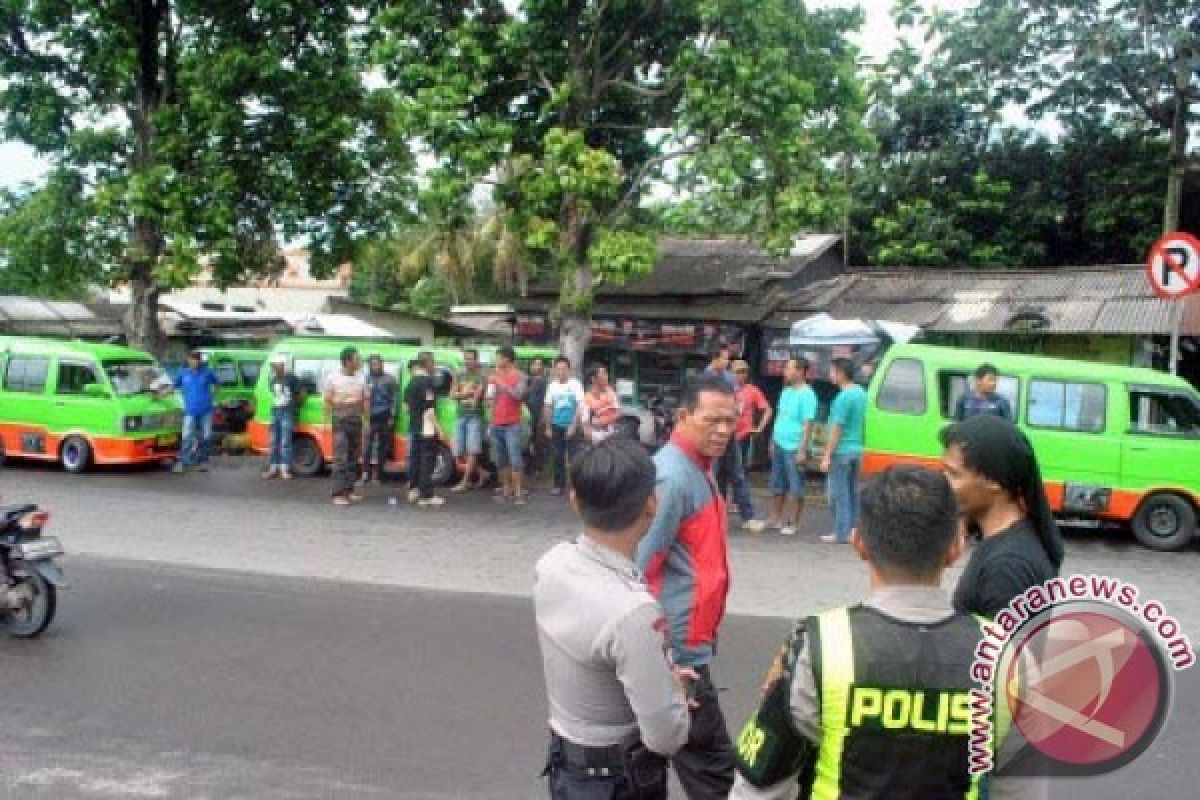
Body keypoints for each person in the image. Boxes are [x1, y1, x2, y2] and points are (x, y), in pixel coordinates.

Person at [730, 466, 998, 800]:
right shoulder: (1001, 652)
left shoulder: (821, 645)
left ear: (858, 543)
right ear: (956, 548)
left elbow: (760, 784)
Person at [535, 438, 692, 800]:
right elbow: (666, 736)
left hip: (566, 762)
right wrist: (675, 691)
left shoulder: (551, 564)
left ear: (575, 500)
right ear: (650, 505)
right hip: (618, 779)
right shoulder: (633, 611)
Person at [636, 373, 739, 799]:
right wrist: (658, 658)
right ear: (683, 416)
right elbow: (638, 566)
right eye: (712, 420)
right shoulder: (672, 477)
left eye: (730, 421)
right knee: (715, 774)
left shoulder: (698, 469)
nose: (722, 431)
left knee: (652, 763)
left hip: (686, 645)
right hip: (677, 651)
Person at [941, 414, 1064, 617]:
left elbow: (1007, 649)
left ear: (993, 480)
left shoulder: (1007, 567)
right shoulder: (1003, 542)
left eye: (953, 474)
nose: (943, 483)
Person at [707, 348, 765, 534]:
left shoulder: (729, 378)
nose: (728, 362)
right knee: (714, 476)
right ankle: (713, 516)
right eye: (725, 358)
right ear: (715, 359)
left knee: (738, 474)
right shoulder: (704, 380)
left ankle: (748, 517)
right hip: (713, 433)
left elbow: (735, 401)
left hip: (731, 432)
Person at [765, 358, 817, 536]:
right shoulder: (786, 391)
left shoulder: (808, 394)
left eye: (788, 368)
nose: (785, 371)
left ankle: (793, 522)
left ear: (800, 371)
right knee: (776, 483)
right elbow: (779, 415)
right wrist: (772, 438)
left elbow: (808, 423)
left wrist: (803, 449)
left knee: (796, 485)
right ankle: (775, 518)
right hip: (780, 442)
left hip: (795, 446)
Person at [820, 359, 867, 544]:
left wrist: (827, 455)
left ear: (840, 373)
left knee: (838, 495)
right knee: (852, 493)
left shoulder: (842, 398)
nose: (830, 375)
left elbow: (837, 428)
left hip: (842, 451)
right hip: (857, 449)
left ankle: (842, 532)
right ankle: (854, 531)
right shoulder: (862, 393)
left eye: (832, 371)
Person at [323, 346, 368, 506]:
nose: (360, 361)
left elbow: (364, 400)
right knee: (340, 458)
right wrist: (326, 422)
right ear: (348, 361)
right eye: (357, 359)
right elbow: (327, 400)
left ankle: (349, 490)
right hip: (340, 421)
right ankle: (337, 493)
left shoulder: (361, 378)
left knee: (353, 458)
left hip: (355, 421)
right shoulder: (332, 378)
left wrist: (366, 420)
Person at [488, 346, 528, 504]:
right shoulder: (495, 375)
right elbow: (491, 399)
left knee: (515, 459)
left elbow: (519, 395)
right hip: (496, 422)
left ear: (507, 359)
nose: (497, 360)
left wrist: (501, 383)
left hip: (513, 424)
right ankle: (506, 490)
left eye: (499, 357)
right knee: (500, 459)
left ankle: (518, 493)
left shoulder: (520, 376)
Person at [405, 352, 444, 508]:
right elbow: (429, 410)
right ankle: (426, 496)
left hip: (414, 426)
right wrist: (439, 429)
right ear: (427, 364)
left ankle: (414, 489)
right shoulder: (427, 382)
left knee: (415, 460)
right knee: (427, 462)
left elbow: (407, 407)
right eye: (433, 363)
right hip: (426, 428)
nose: (434, 366)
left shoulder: (411, 382)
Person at [543, 356, 585, 497]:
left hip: (573, 425)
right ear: (555, 370)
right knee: (557, 456)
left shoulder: (575, 384)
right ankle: (558, 484)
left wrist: (573, 425)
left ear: (569, 370)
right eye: (558, 369)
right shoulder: (552, 386)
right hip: (556, 425)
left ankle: (577, 486)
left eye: (564, 369)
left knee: (575, 458)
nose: (561, 371)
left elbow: (580, 406)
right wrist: (548, 427)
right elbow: (548, 406)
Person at [171, 351, 219, 473]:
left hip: (206, 410)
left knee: (206, 436)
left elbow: (217, 384)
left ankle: (203, 461)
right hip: (190, 411)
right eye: (192, 359)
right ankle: (183, 462)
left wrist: (213, 395)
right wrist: (160, 394)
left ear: (200, 361)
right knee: (187, 436)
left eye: (197, 360)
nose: (195, 362)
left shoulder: (207, 372)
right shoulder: (183, 373)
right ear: (188, 360)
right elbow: (174, 386)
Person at [450, 348, 487, 492]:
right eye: (466, 358)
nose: (468, 361)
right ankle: (482, 473)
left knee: (472, 450)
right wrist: (468, 393)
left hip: (475, 416)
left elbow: (476, 399)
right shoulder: (459, 375)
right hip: (460, 415)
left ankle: (465, 482)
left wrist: (463, 394)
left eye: (471, 359)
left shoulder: (481, 376)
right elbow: (452, 395)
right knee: (458, 450)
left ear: (476, 360)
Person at [262, 355, 302, 480]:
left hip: (287, 412)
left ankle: (284, 469)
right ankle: (273, 468)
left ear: (282, 365)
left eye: (276, 365)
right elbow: (275, 396)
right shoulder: (272, 379)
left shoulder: (292, 378)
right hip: (275, 411)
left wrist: (293, 407)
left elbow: (302, 394)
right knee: (273, 442)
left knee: (285, 442)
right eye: (273, 365)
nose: (274, 367)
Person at [363, 354, 398, 484]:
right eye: (373, 364)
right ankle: (365, 473)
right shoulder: (365, 379)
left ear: (382, 364)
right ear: (370, 366)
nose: (376, 366)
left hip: (384, 416)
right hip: (369, 418)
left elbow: (395, 399)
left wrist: (392, 416)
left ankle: (377, 474)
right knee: (367, 447)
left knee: (382, 447)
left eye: (378, 364)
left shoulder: (390, 379)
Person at [733, 360, 772, 466]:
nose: (741, 375)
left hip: (743, 436)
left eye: (744, 372)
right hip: (725, 435)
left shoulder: (752, 390)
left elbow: (768, 410)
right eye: (738, 372)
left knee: (741, 469)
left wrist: (760, 427)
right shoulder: (725, 388)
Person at [582, 364, 621, 444]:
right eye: (603, 374)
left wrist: (602, 421)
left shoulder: (611, 392)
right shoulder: (587, 398)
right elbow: (585, 422)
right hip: (596, 437)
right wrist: (591, 436)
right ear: (593, 379)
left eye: (606, 373)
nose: (606, 376)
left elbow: (618, 412)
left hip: (612, 435)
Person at [526, 357, 550, 477]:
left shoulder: (544, 381)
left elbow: (546, 401)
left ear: (542, 367)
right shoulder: (527, 380)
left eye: (538, 364)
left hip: (538, 416)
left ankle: (539, 469)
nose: (536, 366)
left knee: (538, 443)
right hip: (526, 417)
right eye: (533, 364)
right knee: (527, 442)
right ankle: (528, 467)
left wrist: (543, 418)